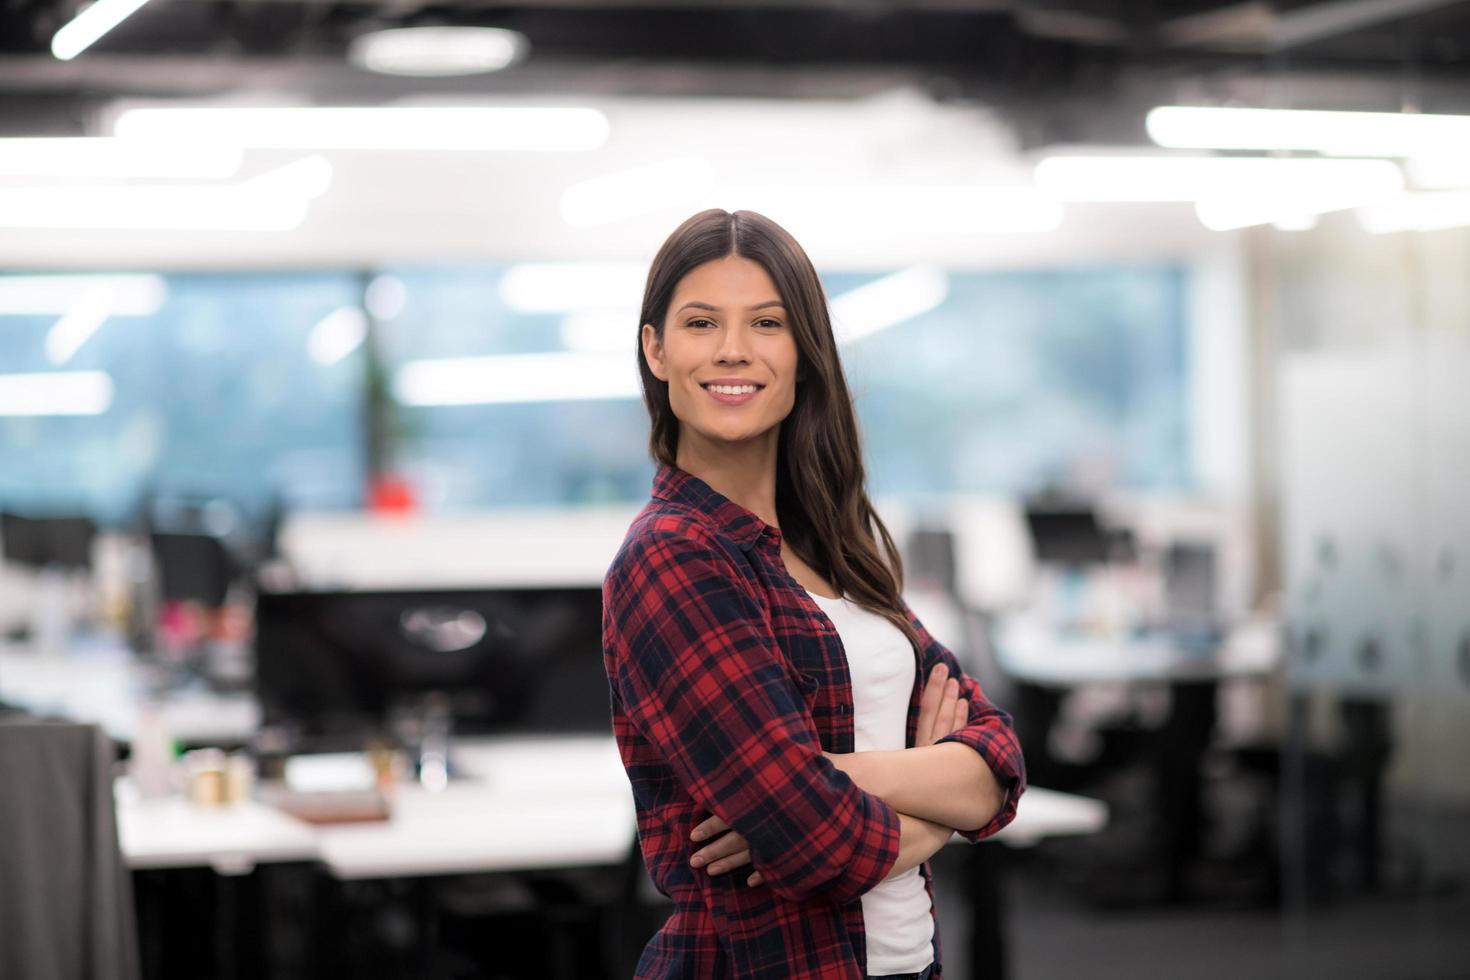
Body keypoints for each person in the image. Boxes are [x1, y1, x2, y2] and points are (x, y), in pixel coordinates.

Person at [601, 208, 1025, 980]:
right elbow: (814, 842)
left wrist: (831, 774)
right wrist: (935, 791)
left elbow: (998, 759)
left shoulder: (835, 545)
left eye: (767, 322)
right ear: (656, 350)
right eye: (701, 323)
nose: (734, 349)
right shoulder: (672, 557)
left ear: (802, 351)